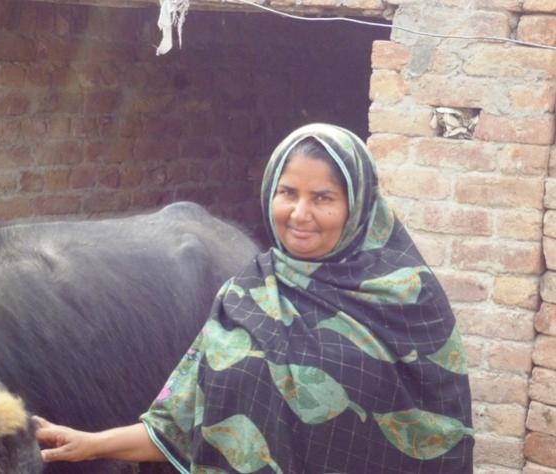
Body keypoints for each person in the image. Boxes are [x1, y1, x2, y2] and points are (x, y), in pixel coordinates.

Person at [35, 123, 474, 473]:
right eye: (288, 193)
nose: (299, 214)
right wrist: (90, 444)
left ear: (358, 206)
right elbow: (179, 424)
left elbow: (437, 438)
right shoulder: (245, 294)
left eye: (323, 198)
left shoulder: (407, 302)